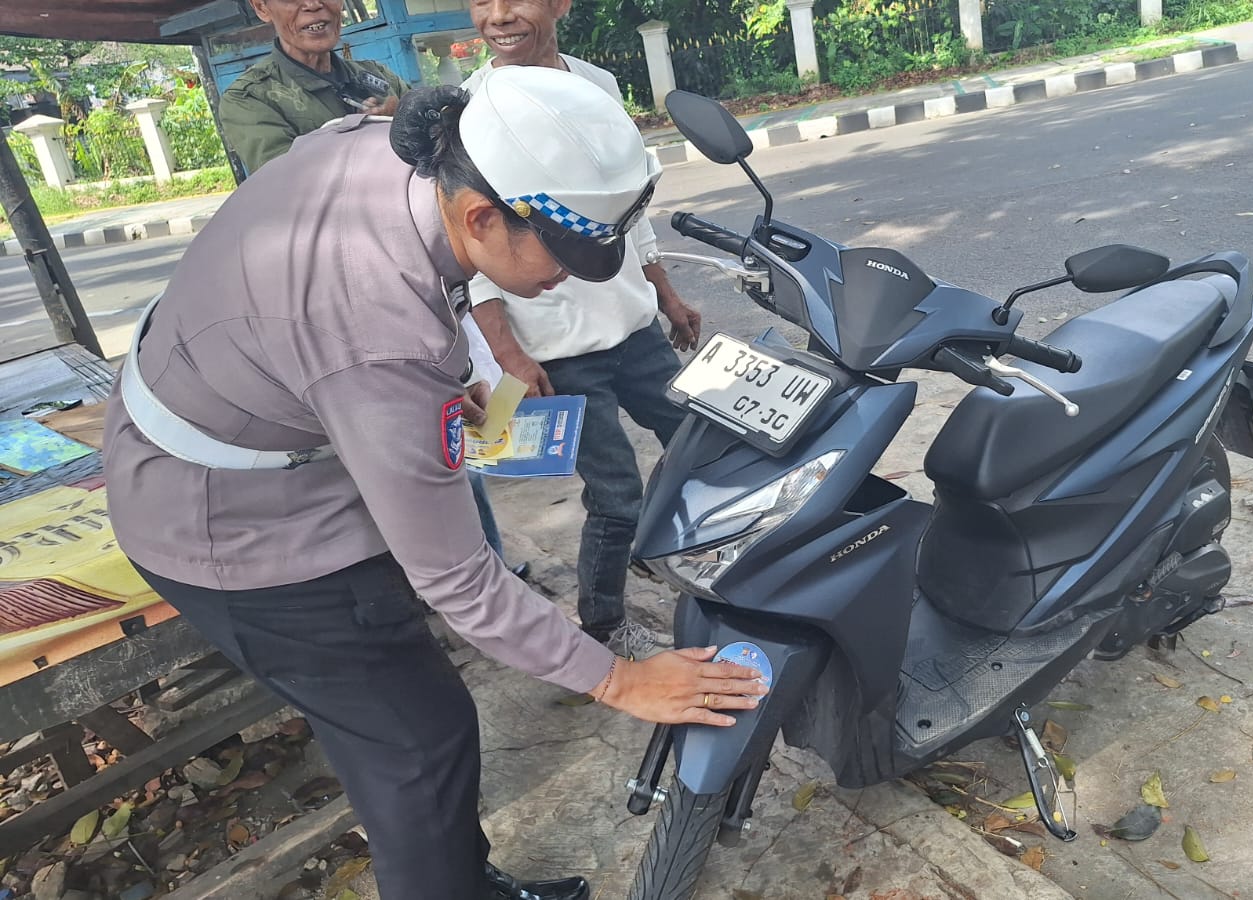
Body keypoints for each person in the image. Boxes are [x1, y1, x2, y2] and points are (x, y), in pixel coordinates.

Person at [103, 68, 767, 900]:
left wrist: (438, 392)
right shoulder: (376, 331)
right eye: (564, 254)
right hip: (234, 527)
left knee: (419, 720)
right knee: (416, 748)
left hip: (255, 434)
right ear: (481, 216)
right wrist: (619, 679)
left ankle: (464, 882)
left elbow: (353, 340)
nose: (570, 277)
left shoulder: (405, 155)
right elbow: (458, 580)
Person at [219, 0, 526, 578]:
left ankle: (484, 569)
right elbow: (295, 189)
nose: (315, 5)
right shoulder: (253, 99)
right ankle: (431, 579)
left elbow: (445, 157)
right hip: (334, 306)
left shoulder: (374, 78)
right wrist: (387, 133)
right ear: (262, 7)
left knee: (449, 434)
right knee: (382, 452)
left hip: (414, 285)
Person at [462, 0, 703, 659]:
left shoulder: (595, 84)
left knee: (698, 446)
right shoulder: (470, 110)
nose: (498, 16)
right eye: (480, 1)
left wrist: (665, 294)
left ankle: (673, 549)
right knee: (616, 493)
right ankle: (604, 624)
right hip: (558, 350)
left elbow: (631, 208)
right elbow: (472, 254)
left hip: (634, 327)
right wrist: (509, 355)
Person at [219, 0, 407, 176]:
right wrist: (374, 134)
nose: (313, 4)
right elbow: (292, 182)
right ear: (261, 7)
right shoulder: (249, 98)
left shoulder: (379, 75)